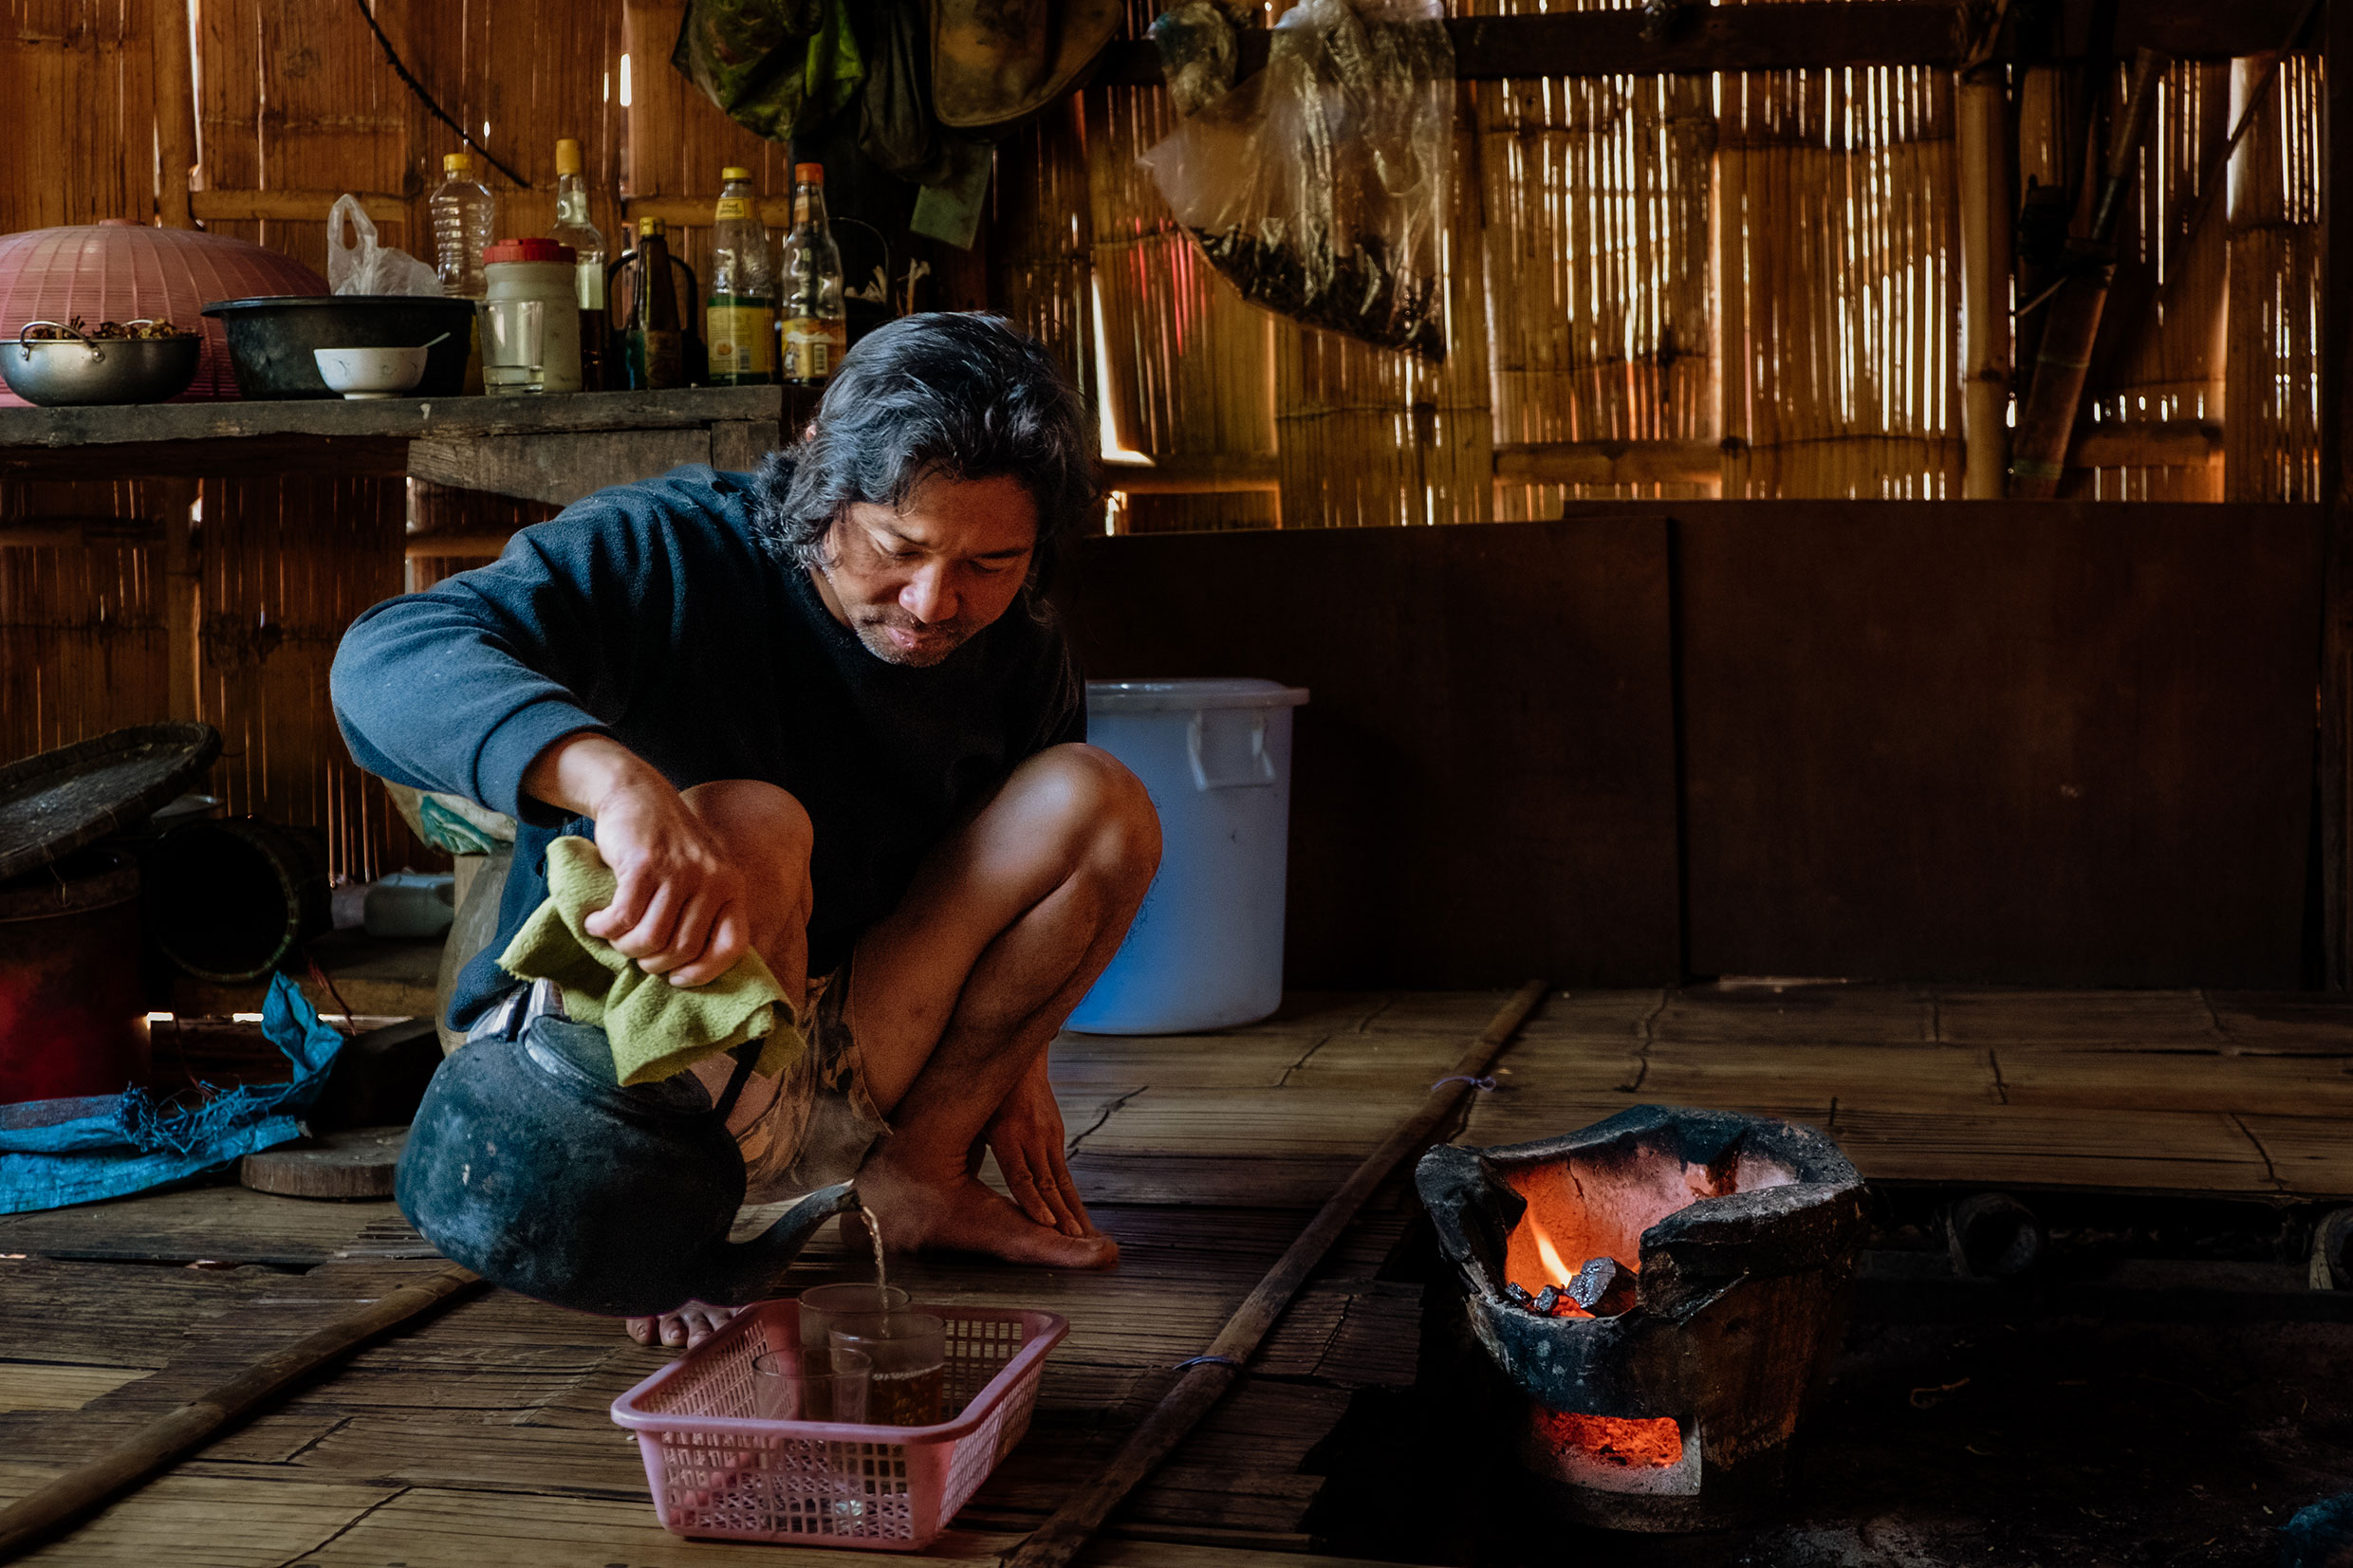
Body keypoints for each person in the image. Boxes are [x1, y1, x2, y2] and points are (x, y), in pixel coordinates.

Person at [331, 313, 1159, 1347]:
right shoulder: (667, 548)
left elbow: (1017, 875)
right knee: (754, 822)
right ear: (820, 466)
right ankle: (661, 1218)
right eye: (897, 548)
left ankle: (917, 1181)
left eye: (990, 563)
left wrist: (1010, 1067)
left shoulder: (1016, 643)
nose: (933, 602)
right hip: (597, 1081)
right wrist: (617, 785)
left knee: (1098, 801)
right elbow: (384, 658)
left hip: (843, 1051)